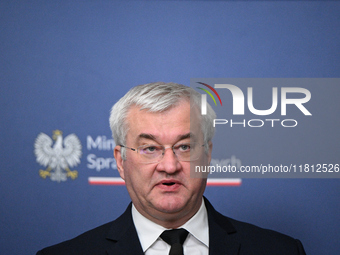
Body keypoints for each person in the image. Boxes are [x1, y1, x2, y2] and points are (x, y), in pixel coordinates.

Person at [37, 82, 306, 255]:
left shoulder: (279, 250)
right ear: (120, 161)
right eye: (149, 148)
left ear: (208, 154)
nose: (169, 166)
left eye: (185, 147)